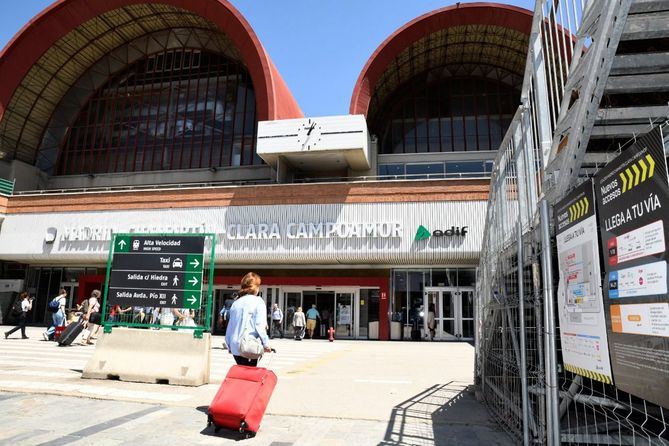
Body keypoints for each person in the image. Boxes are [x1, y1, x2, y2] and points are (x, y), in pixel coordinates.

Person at [225, 272, 271, 367]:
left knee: (242, 374)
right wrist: (266, 344)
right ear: (255, 287)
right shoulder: (258, 301)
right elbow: (259, 325)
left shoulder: (236, 303)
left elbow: (231, 325)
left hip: (235, 346)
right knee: (249, 376)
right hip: (248, 345)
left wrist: (229, 344)